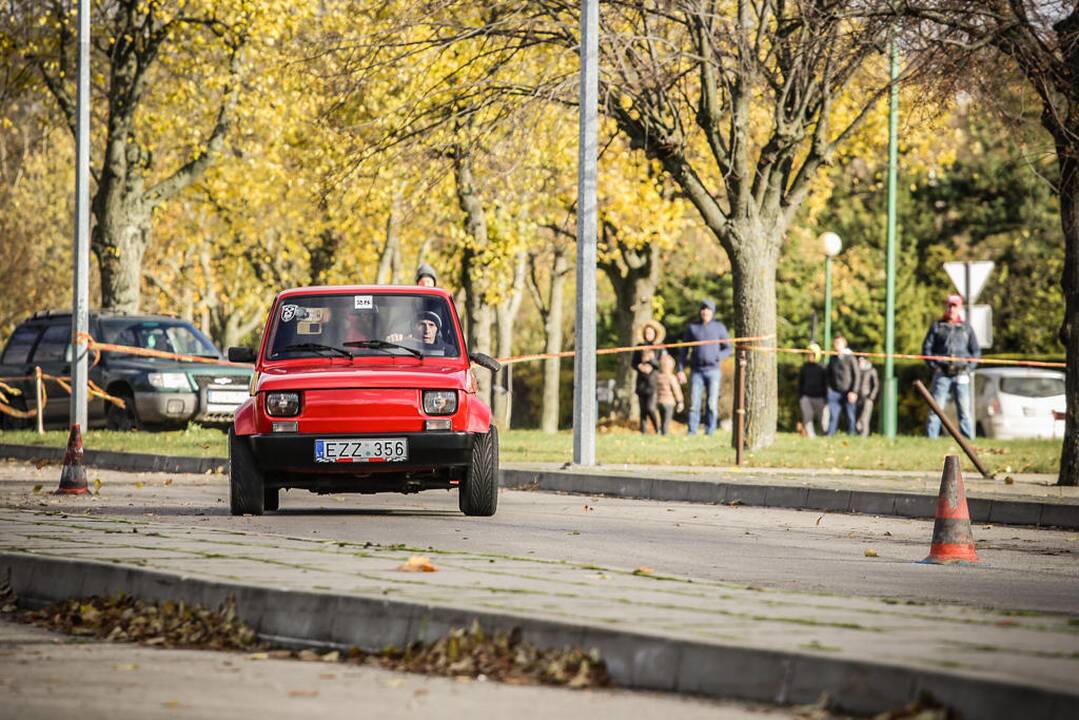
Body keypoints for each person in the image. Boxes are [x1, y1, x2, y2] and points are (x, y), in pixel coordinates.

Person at [922, 294, 981, 439]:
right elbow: (926, 350)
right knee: (936, 409)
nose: (951, 308)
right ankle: (932, 440)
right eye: (949, 305)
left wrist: (969, 367)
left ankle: (968, 440)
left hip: (962, 373)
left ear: (959, 307)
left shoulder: (966, 328)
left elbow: (976, 351)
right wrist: (934, 367)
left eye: (954, 306)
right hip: (942, 373)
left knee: (965, 410)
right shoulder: (937, 326)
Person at [676, 299, 732, 436]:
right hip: (697, 371)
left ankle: (710, 431)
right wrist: (680, 369)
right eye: (703, 309)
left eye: (708, 309)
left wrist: (717, 356)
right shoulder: (692, 328)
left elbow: (728, 348)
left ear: (712, 312)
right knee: (694, 403)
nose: (705, 312)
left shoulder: (719, 327)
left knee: (712, 403)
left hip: (713, 371)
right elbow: (683, 351)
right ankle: (692, 431)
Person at [632, 320, 666, 434]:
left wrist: (651, 361)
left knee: (650, 407)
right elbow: (633, 363)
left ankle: (658, 429)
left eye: (650, 333)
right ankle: (643, 431)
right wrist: (640, 366)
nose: (648, 335)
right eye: (646, 333)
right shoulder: (639, 347)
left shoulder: (658, 348)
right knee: (642, 410)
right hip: (641, 382)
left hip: (652, 382)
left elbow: (661, 365)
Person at [826, 335, 860, 436]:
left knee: (850, 415)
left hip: (848, 392)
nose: (836, 345)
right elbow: (828, 375)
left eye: (838, 343)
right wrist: (829, 389)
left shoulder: (850, 358)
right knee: (833, 415)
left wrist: (854, 391)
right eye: (835, 343)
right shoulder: (832, 359)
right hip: (834, 392)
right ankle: (831, 434)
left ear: (844, 344)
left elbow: (856, 375)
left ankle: (852, 434)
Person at [797, 342, 828, 437]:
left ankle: (824, 435)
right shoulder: (804, 367)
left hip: (820, 397)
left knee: (823, 420)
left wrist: (826, 397)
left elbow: (826, 383)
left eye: (811, 354)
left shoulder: (822, 367)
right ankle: (811, 436)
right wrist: (801, 396)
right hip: (806, 397)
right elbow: (800, 382)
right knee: (807, 418)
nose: (809, 356)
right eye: (808, 353)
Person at [655, 353, 684, 436]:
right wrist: (680, 401)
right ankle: (665, 432)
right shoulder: (671, 378)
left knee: (661, 418)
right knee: (667, 419)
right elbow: (676, 390)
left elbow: (655, 390)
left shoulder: (658, 377)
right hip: (669, 402)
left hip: (660, 402)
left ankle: (661, 431)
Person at [855, 356, 879, 437]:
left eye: (861, 361)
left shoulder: (871, 370)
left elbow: (876, 385)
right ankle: (859, 433)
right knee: (858, 417)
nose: (860, 363)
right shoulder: (857, 370)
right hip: (858, 397)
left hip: (867, 397)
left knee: (864, 418)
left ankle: (864, 435)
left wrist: (871, 396)